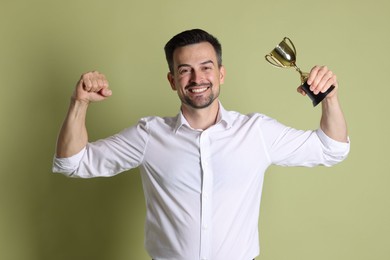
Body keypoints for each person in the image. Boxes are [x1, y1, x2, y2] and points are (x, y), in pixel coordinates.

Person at [53, 29, 350, 260]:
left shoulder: (256, 132)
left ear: (221, 74)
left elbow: (331, 148)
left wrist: (330, 99)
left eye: (206, 67)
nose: (197, 78)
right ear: (172, 80)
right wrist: (79, 103)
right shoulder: (149, 135)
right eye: (185, 70)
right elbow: (73, 162)